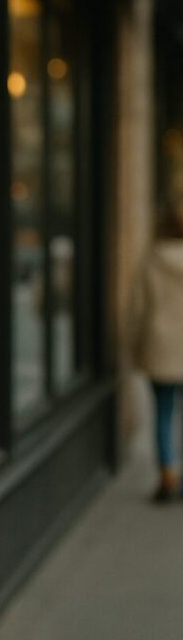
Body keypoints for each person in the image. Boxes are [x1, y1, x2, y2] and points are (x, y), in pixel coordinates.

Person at [132, 202, 183, 502]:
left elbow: (137, 309)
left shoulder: (152, 261)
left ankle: (168, 474)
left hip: (161, 349)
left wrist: (132, 347)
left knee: (164, 413)